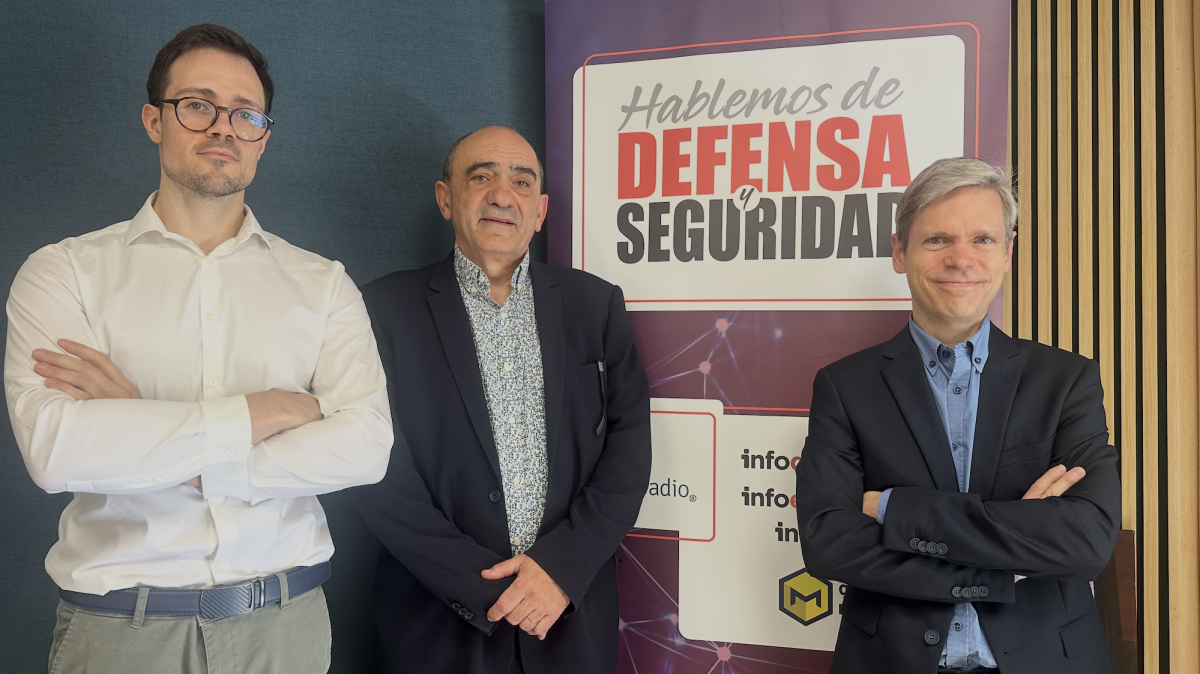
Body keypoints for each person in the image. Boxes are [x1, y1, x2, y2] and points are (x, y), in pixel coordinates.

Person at [4, 24, 392, 674]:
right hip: (122, 634)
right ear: (154, 120)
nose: (223, 128)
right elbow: (56, 451)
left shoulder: (323, 285)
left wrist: (141, 425)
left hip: (286, 632)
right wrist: (267, 411)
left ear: (263, 138)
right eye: (198, 105)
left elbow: (367, 448)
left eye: (246, 114)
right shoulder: (63, 273)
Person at [794, 157, 1120, 674]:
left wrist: (896, 510)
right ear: (899, 252)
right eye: (937, 239)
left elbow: (1086, 542)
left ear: (1007, 253)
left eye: (983, 239)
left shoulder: (1067, 380)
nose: (961, 259)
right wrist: (1005, 561)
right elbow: (829, 544)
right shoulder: (844, 386)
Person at [353, 125, 652, 674]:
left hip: (567, 617)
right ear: (446, 199)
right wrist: (489, 589)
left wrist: (559, 571)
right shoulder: (381, 310)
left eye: (521, 181)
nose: (501, 195)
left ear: (540, 210)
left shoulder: (595, 306)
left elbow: (628, 449)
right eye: (481, 177)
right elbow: (376, 470)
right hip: (437, 625)